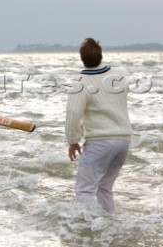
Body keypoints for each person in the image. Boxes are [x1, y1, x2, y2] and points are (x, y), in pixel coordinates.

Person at [65, 38, 132, 213]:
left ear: (82, 59)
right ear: (101, 56)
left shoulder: (80, 83)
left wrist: (73, 141)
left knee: (84, 190)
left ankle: (88, 230)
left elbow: (73, 115)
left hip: (100, 141)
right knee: (105, 188)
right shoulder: (119, 76)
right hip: (123, 140)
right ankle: (109, 229)